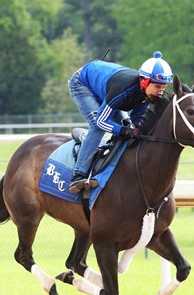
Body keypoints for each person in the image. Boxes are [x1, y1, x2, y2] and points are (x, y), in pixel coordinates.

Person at [68, 51, 174, 193]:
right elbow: (101, 121)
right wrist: (124, 131)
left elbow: (136, 120)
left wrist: (134, 130)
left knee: (126, 126)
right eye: (157, 87)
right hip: (82, 83)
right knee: (97, 126)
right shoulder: (125, 90)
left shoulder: (146, 93)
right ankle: (78, 174)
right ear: (144, 81)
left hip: (106, 86)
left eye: (163, 87)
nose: (161, 92)